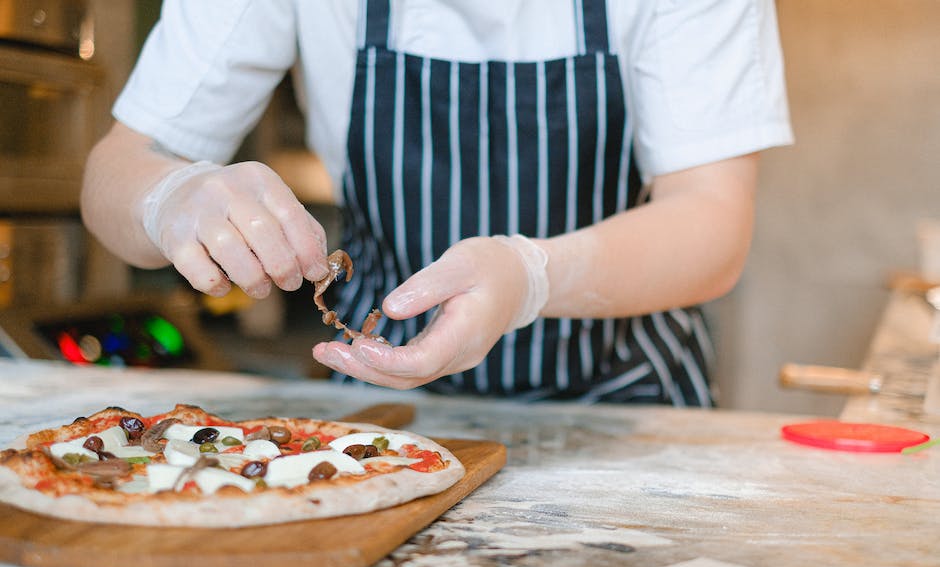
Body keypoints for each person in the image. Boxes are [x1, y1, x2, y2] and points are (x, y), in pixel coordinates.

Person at [81, 0, 792, 405]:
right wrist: (170, 195)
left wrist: (530, 276)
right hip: (386, 415)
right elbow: (114, 173)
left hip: (626, 401)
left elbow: (712, 221)